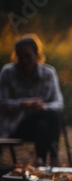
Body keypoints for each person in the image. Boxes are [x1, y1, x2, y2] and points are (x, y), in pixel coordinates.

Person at [0, 34, 64, 167]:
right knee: (48, 119)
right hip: (15, 126)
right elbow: (2, 102)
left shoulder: (48, 73)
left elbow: (59, 103)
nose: (24, 60)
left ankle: (43, 160)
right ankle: (52, 160)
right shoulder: (8, 72)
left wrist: (43, 107)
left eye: (28, 56)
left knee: (47, 119)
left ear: (36, 54)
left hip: (41, 125)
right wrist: (23, 104)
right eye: (20, 57)